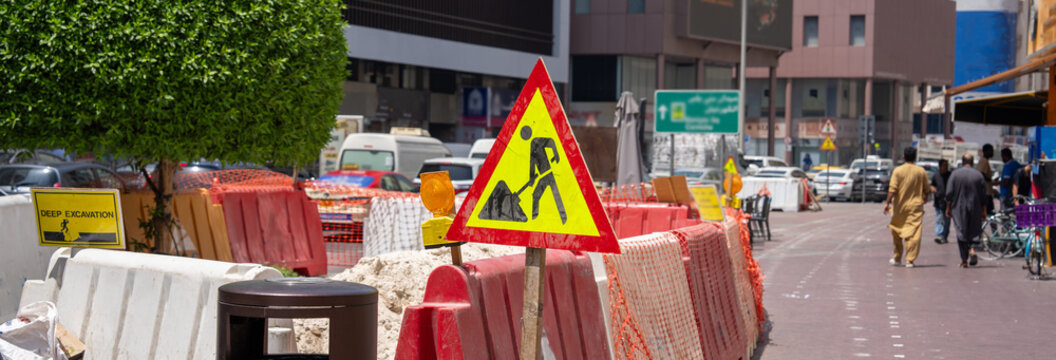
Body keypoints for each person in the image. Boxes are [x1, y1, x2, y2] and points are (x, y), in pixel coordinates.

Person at [883, 147, 930, 268]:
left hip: (899, 207)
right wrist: (925, 197)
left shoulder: (898, 171)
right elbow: (927, 188)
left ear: (903, 156)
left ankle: (897, 257)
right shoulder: (921, 171)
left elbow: (892, 189)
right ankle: (910, 259)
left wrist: (887, 203)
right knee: (914, 234)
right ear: (915, 157)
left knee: (897, 230)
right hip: (915, 208)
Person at [946, 154, 988, 268]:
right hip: (975, 206)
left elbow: (949, 193)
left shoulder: (955, 174)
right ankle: (973, 249)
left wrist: (948, 207)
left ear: (963, 162)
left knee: (961, 231)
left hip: (959, 208)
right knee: (974, 230)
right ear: (972, 162)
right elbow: (984, 195)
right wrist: (984, 210)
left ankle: (964, 259)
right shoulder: (978, 175)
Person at [931, 159, 952, 244]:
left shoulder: (950, 175)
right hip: (938, 201)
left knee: (947, 220)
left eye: (946, 165)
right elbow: (932, 185)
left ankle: (944, 236)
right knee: (939, 218)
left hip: (949, 202)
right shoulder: (936, 176)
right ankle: (939, 235)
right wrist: (933, 189)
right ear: (940, 167)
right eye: (944, 165)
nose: (945, 167)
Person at [977, 144, 996, 215]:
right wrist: (988, 180)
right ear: (986, 151)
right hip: (985, 193)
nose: (992, 153)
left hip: (987, 192)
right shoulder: (984, 161)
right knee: (990, 214)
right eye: (991, 151)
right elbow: (980, 174)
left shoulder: (986, 161)